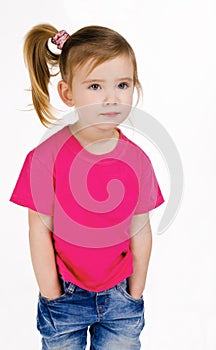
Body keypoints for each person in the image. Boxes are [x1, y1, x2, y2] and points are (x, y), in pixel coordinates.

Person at [10, 23, 165, 350]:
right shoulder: (45, 158)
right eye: (95, 86)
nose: (112, 98)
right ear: (68, 92)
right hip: (65, 298)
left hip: (121, 299)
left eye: (122, 84)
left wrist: (135, 293)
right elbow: (39, 231)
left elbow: (141, 230)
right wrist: (52, 293)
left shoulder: (137, 161)